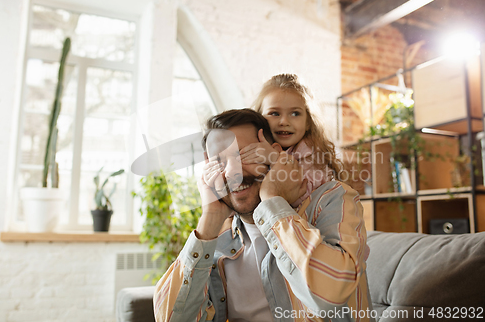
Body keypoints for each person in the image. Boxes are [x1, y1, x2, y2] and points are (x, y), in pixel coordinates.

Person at [153, 108, 372, 322]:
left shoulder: (332, 200)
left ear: (274, 153)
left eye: (245, 155)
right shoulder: (216, 237)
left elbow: (330, 296)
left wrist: (272, 198)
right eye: (219, 162)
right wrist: (209, 217)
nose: (231, 172)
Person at [241, 73, 342, 208]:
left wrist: (275, 159)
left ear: (307, 122)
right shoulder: (256, 148)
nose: (284, 121)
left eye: (295, 113)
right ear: (259, 118)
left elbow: (301, 193)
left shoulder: (312, 154)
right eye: (274, 113)